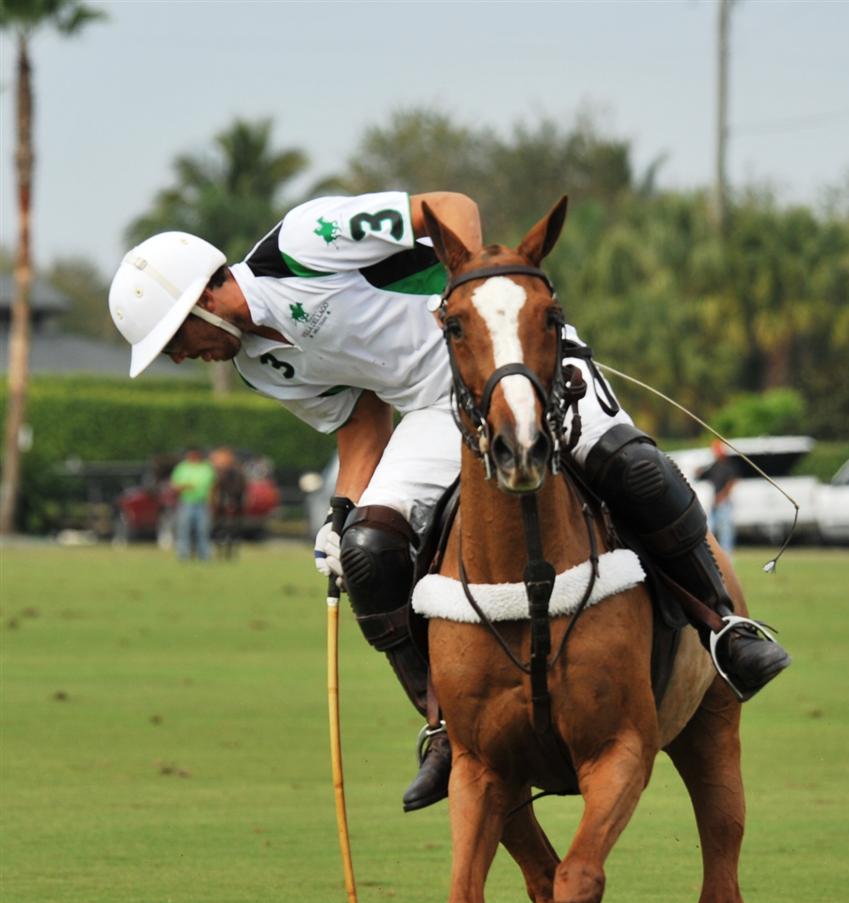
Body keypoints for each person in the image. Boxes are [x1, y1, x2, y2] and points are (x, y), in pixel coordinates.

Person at [108, 190, 790, 812]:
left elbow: (446, 205)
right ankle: (440, 725)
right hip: (436, 411)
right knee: (368, 551)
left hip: (517, 362)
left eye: (175, 340)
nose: (179, 358)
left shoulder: (303, 242)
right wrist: (342, 514)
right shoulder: (260, 366)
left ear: (204, 297)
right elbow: (361, 423)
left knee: (632, 467)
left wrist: (468, 292)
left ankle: (724, 627)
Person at [170, 447, 216, 561]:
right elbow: (174, 485)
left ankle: (204, 555)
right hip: (186, 502)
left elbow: (212, 486)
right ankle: (183, 554)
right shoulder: (182, 468)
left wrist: (212, 502)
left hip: (202, 503)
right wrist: (184, 486)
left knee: (203, 530)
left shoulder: (206, 468)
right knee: (184, 529)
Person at [701, 439, 739, 555]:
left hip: (724, 502)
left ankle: (727, 555)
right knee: (710, 528)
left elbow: (731, 482)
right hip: (715, 502)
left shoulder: (728, 466)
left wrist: (722, 496)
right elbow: (704, 474)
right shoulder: (715, 465)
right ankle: (711, 554)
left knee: (725, 531)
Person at [210, 447, 247, 559]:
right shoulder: (218, 474)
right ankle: (221, 550)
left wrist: (233, 501)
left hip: (232, 505)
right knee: (220, 529)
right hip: (222, 507)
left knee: (232, 529)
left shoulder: (236, 473)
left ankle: (230, 551)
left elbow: (239, 489)